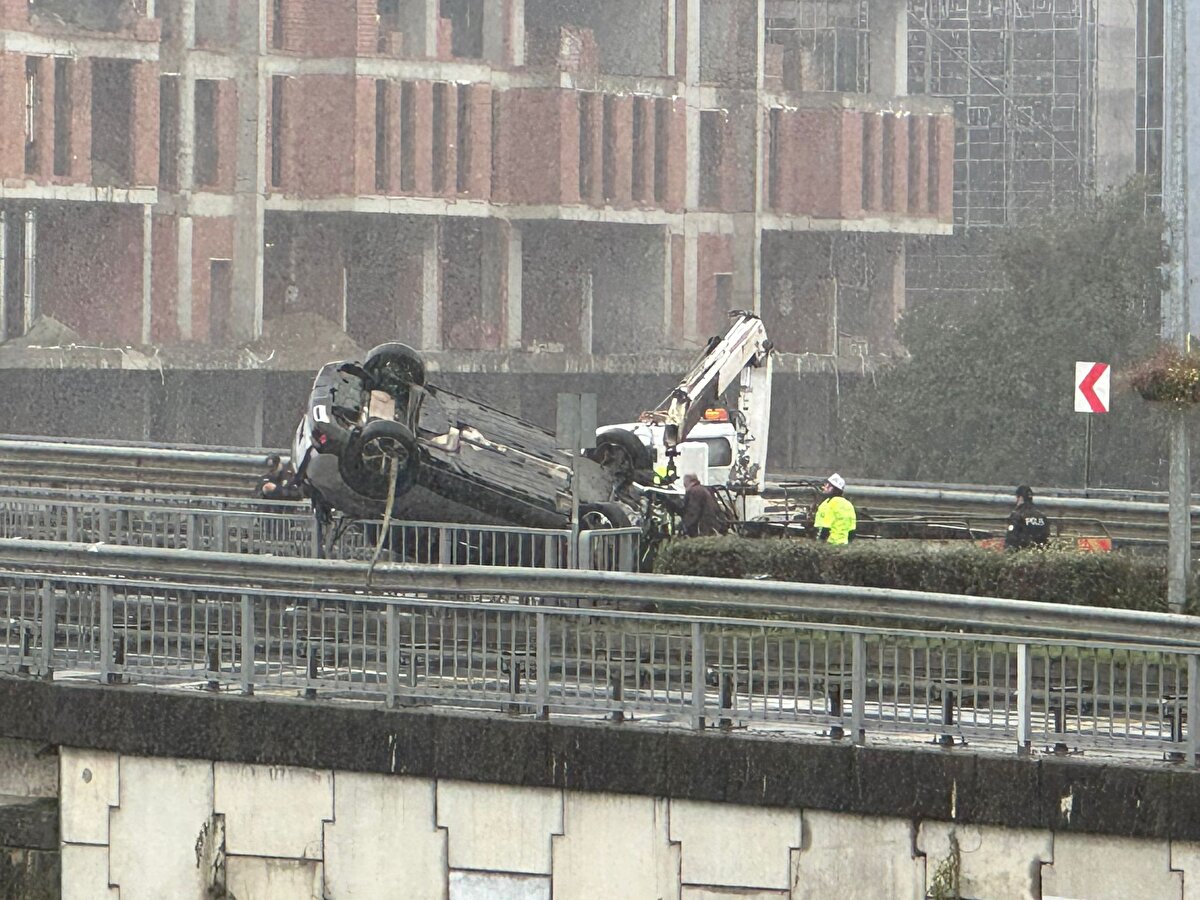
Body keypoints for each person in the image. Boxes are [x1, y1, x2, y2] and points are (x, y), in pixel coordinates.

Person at [813, 472, 856, 545]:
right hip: (844, 543)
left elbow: (825, 527)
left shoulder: (830, 504)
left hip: (830, 543)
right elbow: (852, 529)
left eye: (827, 485)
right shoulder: (848, 504)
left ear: (833, 488)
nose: (824, 487)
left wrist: (820, 543)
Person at [680, 473, 726, 537]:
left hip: (705, 528)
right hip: (712, 525)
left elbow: (693, 512)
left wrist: (684, 526)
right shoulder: (702, 489)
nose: (684, 485)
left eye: (684, 483)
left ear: (689, 481)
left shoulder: (695, 491)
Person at [1005, 484, 1050, 549]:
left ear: (1020, 498)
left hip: (1022, 551)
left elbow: (1011, 537)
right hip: (1039, 551)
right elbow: (1046, 535)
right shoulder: (1041, 516)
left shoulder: (1017, 514)